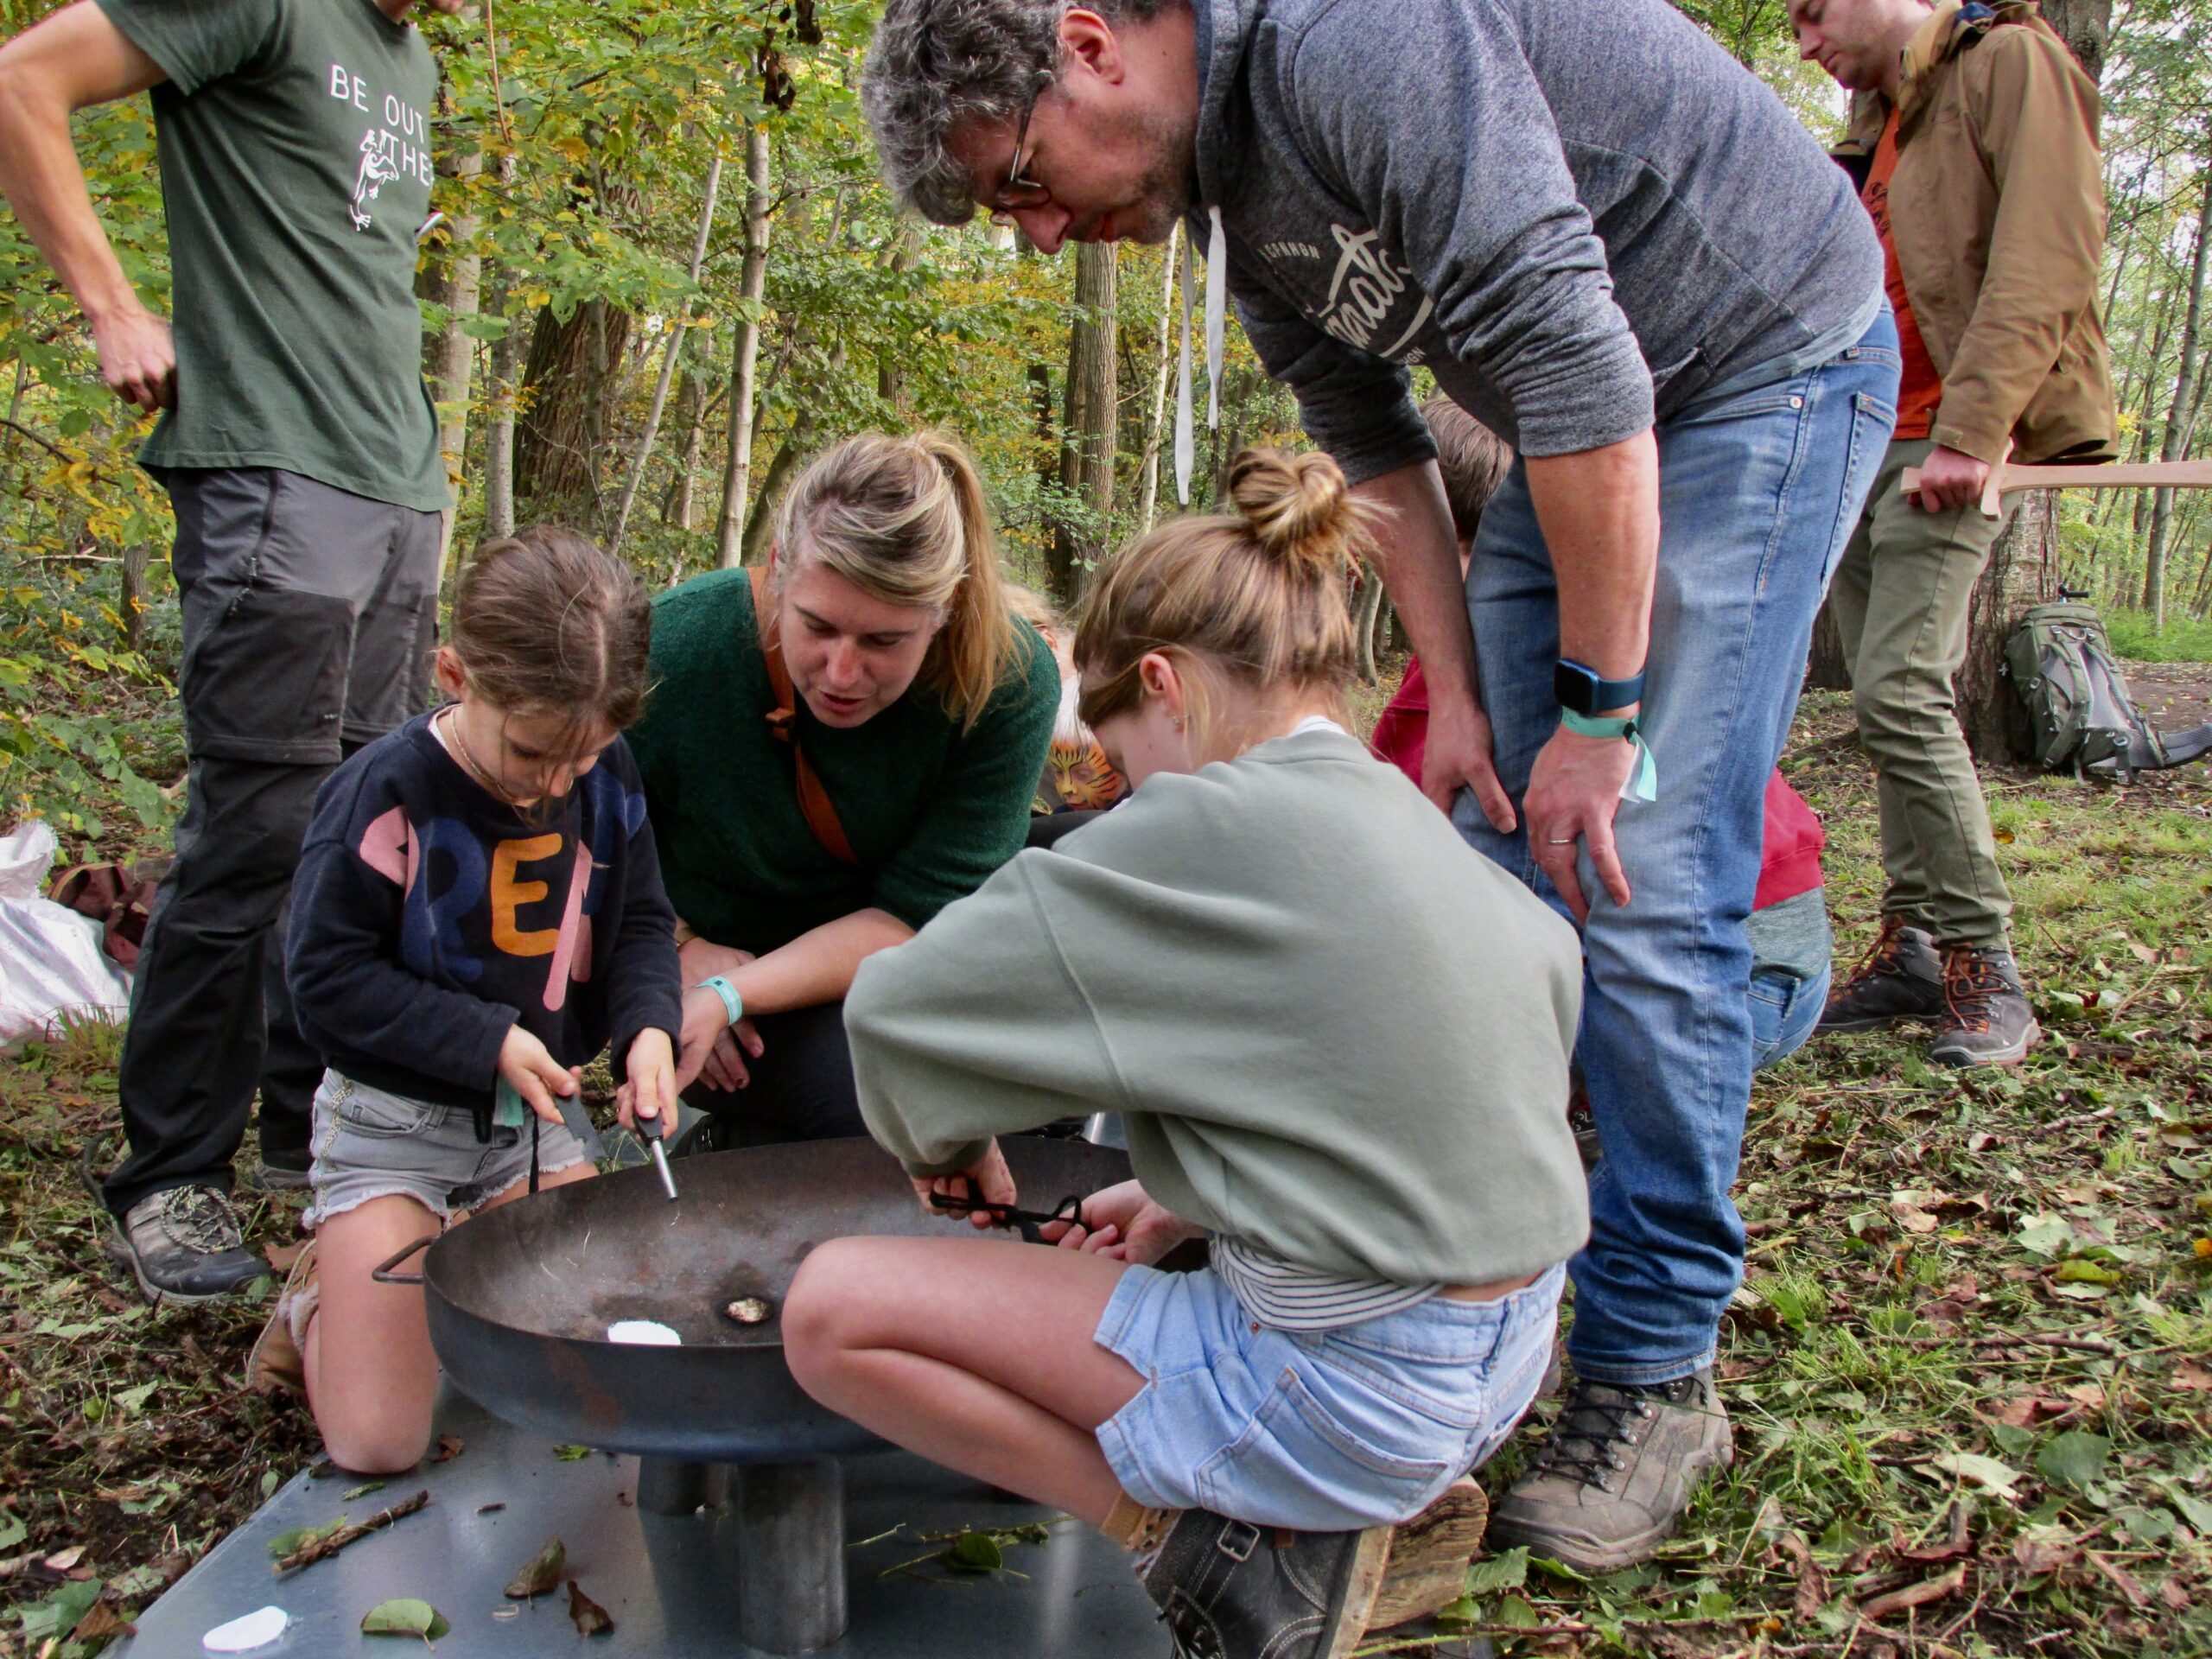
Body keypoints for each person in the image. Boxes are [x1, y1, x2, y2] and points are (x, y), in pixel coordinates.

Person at [861, 0, 1898, 1569]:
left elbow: (1575, 354)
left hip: (1753, 359)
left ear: (1085, 45)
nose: (1037, 232)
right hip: (1581, 412)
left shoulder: (1346, 47)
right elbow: (1367, 438)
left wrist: (1602, 721)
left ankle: (1653, 1365)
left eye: (1015, 181)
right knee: (1481, 846)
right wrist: (1467, 701)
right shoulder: (1226, 195)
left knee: (1644, 866)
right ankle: (1423, 1295)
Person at [783, 449, 1588, 1659]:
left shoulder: (1201, 819)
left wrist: (951, 1153)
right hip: (1502, 1363)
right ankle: (1307, 1508)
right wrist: (1176, 1196)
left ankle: (1206, 1557)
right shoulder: (1403, 824)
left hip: (1344, 1399)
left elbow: (898, 1017)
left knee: (831, 1312)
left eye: (1117, 754)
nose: (1118, 788)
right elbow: (1406, 1075)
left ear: (1165, 685)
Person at [0, 0, 459, 1300]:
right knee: (259, 823)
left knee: (364, 827)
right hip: (275, 468)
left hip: (392, 485)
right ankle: (169, 1177)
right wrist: (112, 305)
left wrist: (424, 486)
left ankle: (296, 1124)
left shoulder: (409, 56)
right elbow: (22, 80)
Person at [252, 528, 684, 1474]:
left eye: (585, 756)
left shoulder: (601, 774)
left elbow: (643, 922)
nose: (553, 784)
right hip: (391, 1132)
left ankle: (441, 1277)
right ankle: (324, 1293)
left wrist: (653, 1026)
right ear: (455, 673)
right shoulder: (383, 797)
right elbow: (323, 984)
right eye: (532, 752)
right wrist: (486, 1036)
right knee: (382, 1443)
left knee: (616, 1369)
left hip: (532, 1134)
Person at [1793, 0, 2118, 1067]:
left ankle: (1987, 963)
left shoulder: (2011, 63)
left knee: (1899, 688)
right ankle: (1915, 946)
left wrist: (1975, 434)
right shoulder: (1879, 124)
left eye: (1809, 10)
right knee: (1882, 704)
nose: (1803, 42)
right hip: (1863, 436)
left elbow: (2048, 254)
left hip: (1947, 439)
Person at [1375, 399, 1834, 1073]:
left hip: (1717, 989)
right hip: (1781, 970)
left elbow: (1400, 860)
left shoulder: (1486, 671)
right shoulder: (1625, 636)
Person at [631, 431, 1058, 1143]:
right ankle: (754, 1140)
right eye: (817, 627)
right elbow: (570, 844)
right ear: (777, 569)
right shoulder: (673, 651)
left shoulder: (1005, 681)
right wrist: (672, 949)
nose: (840, 673)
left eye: (884, 643)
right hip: (715, 989)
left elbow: (915, 916)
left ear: (945, 610)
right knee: (882, 1103)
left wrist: (730, 994)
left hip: (880, 967)